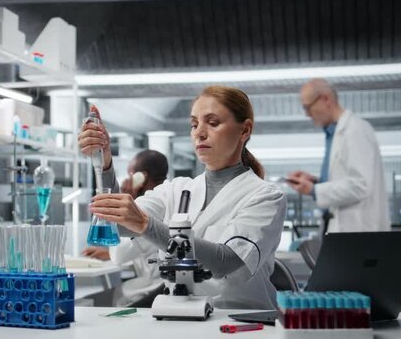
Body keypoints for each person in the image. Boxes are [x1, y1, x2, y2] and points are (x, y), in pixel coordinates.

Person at [78, 86, 286, 309]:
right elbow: (118, 224)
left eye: (213, 123)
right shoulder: (176, 189)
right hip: (176, 315)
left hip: (238, 324)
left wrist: (145, 225)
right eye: (194, 125)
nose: (199, 133)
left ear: (244, 130)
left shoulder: (265, 196)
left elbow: (224, 262)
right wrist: (104, 161)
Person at [287, 78, 390, 233]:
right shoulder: (334, 133)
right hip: (337, 229)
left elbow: (361, 185)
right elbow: (343, 178)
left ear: (325, 99)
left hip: (357, 231)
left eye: (308, 107)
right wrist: (316, 181)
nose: (307, 114)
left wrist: (314, 190)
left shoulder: (355, 130)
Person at [82, 150, 168, 306]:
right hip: (151, 286)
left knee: (85, 303)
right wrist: (107, 253)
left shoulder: (149, 208)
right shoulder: (164, 197)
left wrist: (128, 202)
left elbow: (119, 255)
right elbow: (145, 248)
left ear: (141, 177)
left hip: (154, 291)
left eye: (130, 173)